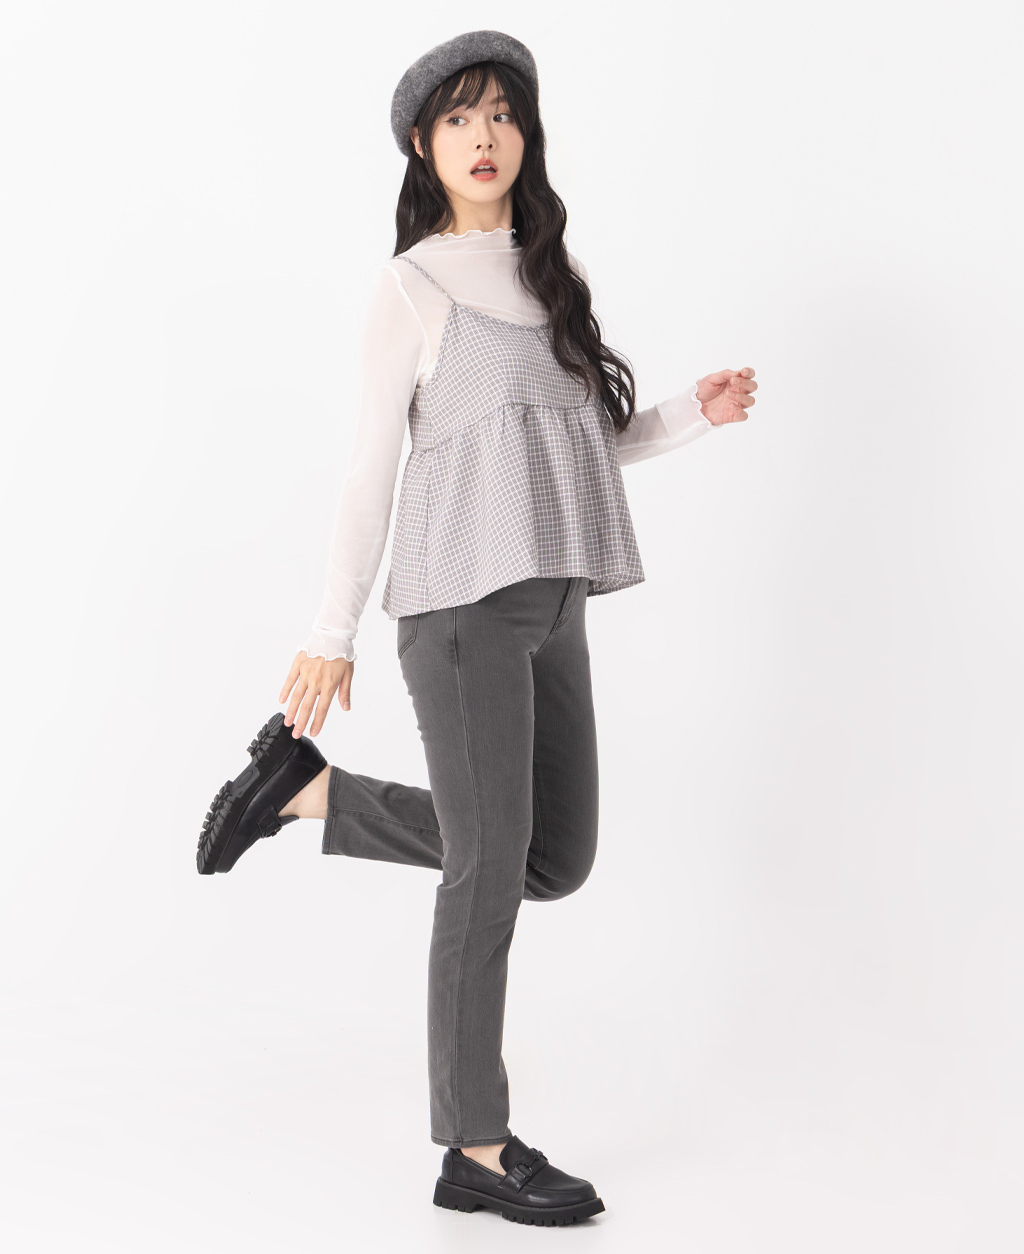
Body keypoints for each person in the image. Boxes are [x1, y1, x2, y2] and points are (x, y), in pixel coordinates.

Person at [196, 29, 757, 1226]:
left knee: (553, 859)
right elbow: (369, 468)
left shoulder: (551, 273)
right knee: (486, 872)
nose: (484, 135)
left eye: (501, 112)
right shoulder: (413, 287)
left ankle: (306, 793)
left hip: (554, 599)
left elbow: (566, 445)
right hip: (458, 609)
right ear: (423, 143)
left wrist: (687, 417)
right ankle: (476, 1147)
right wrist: (329, 632)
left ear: (525, 133)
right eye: (458, 117)